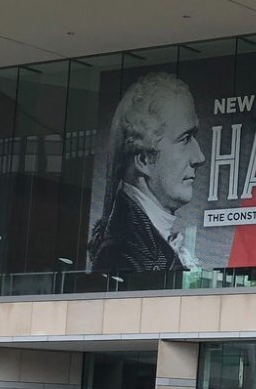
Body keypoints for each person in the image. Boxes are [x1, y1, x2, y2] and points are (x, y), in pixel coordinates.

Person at [88, 71, 206, 281]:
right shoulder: (123, 257)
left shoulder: (142, 245)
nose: (199, 157)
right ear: (143, 159)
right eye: (185, 138)